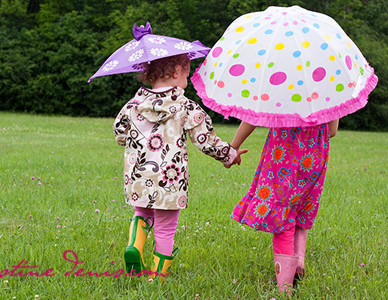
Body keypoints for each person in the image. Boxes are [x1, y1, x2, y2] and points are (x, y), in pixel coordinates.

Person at [113, 53, 247, 281]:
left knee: (142, 212)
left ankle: (134, 245)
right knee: (165, 228)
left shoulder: (133, 104)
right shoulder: (186, 106)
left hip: (138, 174)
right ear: (176, 72)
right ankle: (157, 278)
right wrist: (229, 155)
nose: (188, 78)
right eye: (187, 74)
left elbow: (119, 133)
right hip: (170, 179)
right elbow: (206, 141)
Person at [229, 119, 339, 294]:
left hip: (283, 154)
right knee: (300, 208)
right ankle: (299, 261)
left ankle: (285, 288)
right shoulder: (327, 91)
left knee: (282, 217)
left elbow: (253, 117)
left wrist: (233, 147)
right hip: (315, 155)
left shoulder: (279, 90)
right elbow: (332, 131)